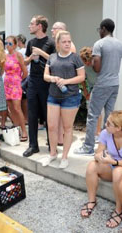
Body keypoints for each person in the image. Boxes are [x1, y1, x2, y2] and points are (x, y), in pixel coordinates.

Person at [80, 110, 122, 229]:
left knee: (118, 171)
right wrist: (99, 157)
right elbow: (98, 152)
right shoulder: (105, 133)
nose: (105, 125)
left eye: (108, 123)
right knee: (92, 165)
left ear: (118, 128)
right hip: (111, 165)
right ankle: (92, 201)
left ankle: (119, 210)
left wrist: (111, 161)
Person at [75, 18, 122, 155]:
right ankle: (107, 148)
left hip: (102, 84)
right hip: (115, 83)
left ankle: (88, 148)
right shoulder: (120, 44)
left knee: (92, 116)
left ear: (103, 29)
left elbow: (97, 68)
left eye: (99, 30)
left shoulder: (99, 44)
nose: (99, 32)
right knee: (110, 117)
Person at [43, 31, 85, 168]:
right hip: (53, 96)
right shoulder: (52, 57)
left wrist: (65, 81)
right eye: (64, 42)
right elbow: (45, 76)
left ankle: (65, 157)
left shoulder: (75, 58)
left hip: (70, 97)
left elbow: (81, 77)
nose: (67, 44)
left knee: (67, 128)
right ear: (58, 43)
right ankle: (53, 154)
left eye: (69, 41)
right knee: (52, 127)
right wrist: (52, 78)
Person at [23, 15, 56, 157]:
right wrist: (31, 57)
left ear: (39, 26)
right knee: (31, 114)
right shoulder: (30, 42)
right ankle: (33, 145)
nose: (29, 26)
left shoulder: (51, 42)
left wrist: (41, 53)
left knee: (48, 114)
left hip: (46, 82)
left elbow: (56, 60)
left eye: (32, 24)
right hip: (33, 81)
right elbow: (25, 62)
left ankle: (52, 144)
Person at [51, 21, 77, 146]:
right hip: (56, 88)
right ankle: (59, 139)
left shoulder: (70, 47)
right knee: (57, 119)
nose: (52, 31)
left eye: (54, 28)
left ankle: (62, 139)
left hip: (68, 91)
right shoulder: (57, 48)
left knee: (65, 121)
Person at [4, 35, 28, 141]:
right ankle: (16, 129)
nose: (7, 45)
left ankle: (24, 131)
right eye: (6, 43)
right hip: (7, 84)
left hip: (15, 85)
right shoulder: (4, 56)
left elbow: (25, 72)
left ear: (15, 45)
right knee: (11, 109)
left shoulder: (18, 55)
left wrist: (18, 80)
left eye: (10, 43)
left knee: (18, 108)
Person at [80, 46, 102, 142]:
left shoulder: (97, 64)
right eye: (85, 62)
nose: (87, 64)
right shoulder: (83, 66)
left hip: (99, 87)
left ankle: (97, 133)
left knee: (97, 111)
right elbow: (83, 79)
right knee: (90, 110)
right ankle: (91, 132)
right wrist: (85, 91)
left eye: (88, 61)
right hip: (90, 88)